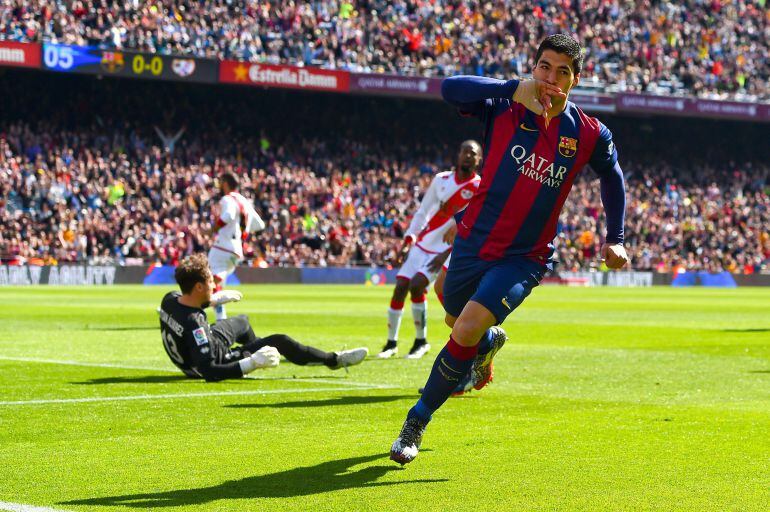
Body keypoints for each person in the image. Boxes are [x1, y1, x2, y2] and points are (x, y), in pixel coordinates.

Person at [390, 34, 629, 465]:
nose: (550, 79)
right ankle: (486, 344)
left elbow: (612, 176)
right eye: (543, 67)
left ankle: (415, 421)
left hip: (525, 257)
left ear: (575, 79)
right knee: (451, 310)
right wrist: (509, 87)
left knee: (461, 329)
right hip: (474, 242)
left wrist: (617, 238)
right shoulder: (506, 106)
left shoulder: (589, 133)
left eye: (562, 71)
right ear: (532, 67)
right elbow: (448, 89)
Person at [159, 254, 368, 382]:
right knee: (281, 340)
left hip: (199, 346)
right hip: (209, 361)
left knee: (242, 321)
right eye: (210, 282)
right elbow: (208, 370)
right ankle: (334, 360)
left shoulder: (169, 300)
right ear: (198, 287)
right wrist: (251, 363)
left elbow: (187, 310)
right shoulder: (195, 324)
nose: (214, 286)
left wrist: (212, 301)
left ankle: (260, 349)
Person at [379, 140, 482, 360]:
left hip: (446, 250)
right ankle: (391, 343)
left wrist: (447, 255)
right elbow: (424, 210)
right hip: (423, 243)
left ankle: (421, 341)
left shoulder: (479, 188)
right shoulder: (441, 180)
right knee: (400, 287)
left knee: (417, 285)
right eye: (465, 152)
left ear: (479, 160)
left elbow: (473, 226)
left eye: (473, 154)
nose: (468, 157)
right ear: (458, 155)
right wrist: (410, 237)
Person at [208, 172, 265, 321]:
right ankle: (220, 317)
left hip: (223, 246)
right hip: (237, 250)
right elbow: (259, 225)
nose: (219, 185)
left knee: (208, 279)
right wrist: (243, 233)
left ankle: (184, 310)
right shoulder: (244, 200)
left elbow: (228, 216)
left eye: (221, 182)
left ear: (226, 183)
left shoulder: (227, 199)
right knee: (218, 282)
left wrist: (214, 228)